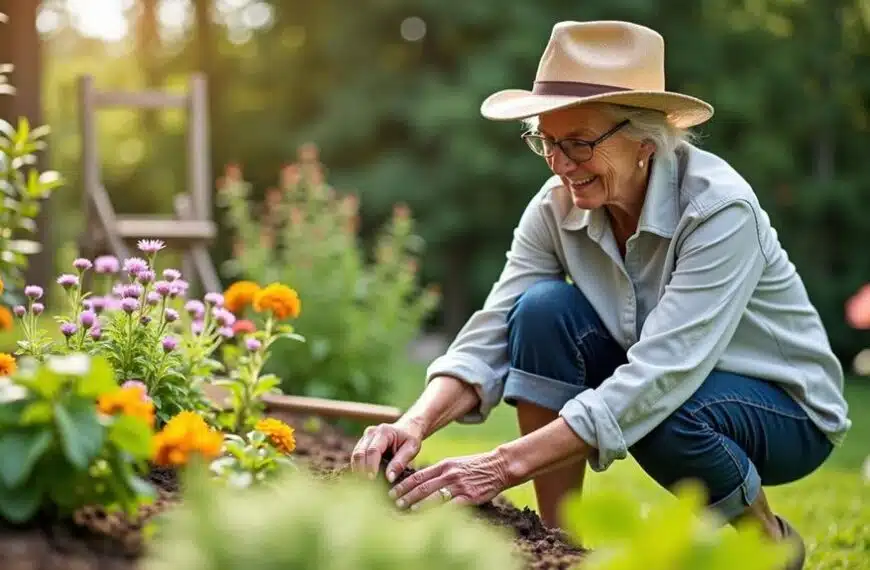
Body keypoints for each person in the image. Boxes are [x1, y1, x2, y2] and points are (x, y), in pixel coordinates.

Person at [350, 20, 850, 569]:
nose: (561, 164)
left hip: (787, 410)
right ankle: (560, 548)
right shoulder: (555, 206)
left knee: (665, 408)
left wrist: (500, 464)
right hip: (670, 381)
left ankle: (769, 546)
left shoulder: (719, 210)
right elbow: (494, 328)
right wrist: (413, 423)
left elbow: (663, 374)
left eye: (579, 143)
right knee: (539, 312)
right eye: (546, 141)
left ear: (643, 140)